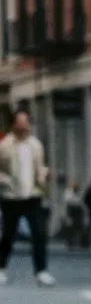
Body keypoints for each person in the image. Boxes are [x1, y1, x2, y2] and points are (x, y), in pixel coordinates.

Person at [0, 110, 55, 287]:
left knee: (39, 233)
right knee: (9, 234)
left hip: (33, 195)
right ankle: (1, 268)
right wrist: (6, 183)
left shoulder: (35, 145)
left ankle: (41, 271)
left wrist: (43, 174)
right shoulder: (4, 145)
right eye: (20, 122)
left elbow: (40, 166)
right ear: (13, 125)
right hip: (11, 197)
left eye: (26, 122)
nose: (24, 126)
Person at [64, 183, 87, 249]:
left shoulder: (75, 195)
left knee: (75, 230)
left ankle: (74, 242)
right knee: (74, 230)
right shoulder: (72, 195)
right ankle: (73, 242)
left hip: (76, 214)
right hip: (75, 214)